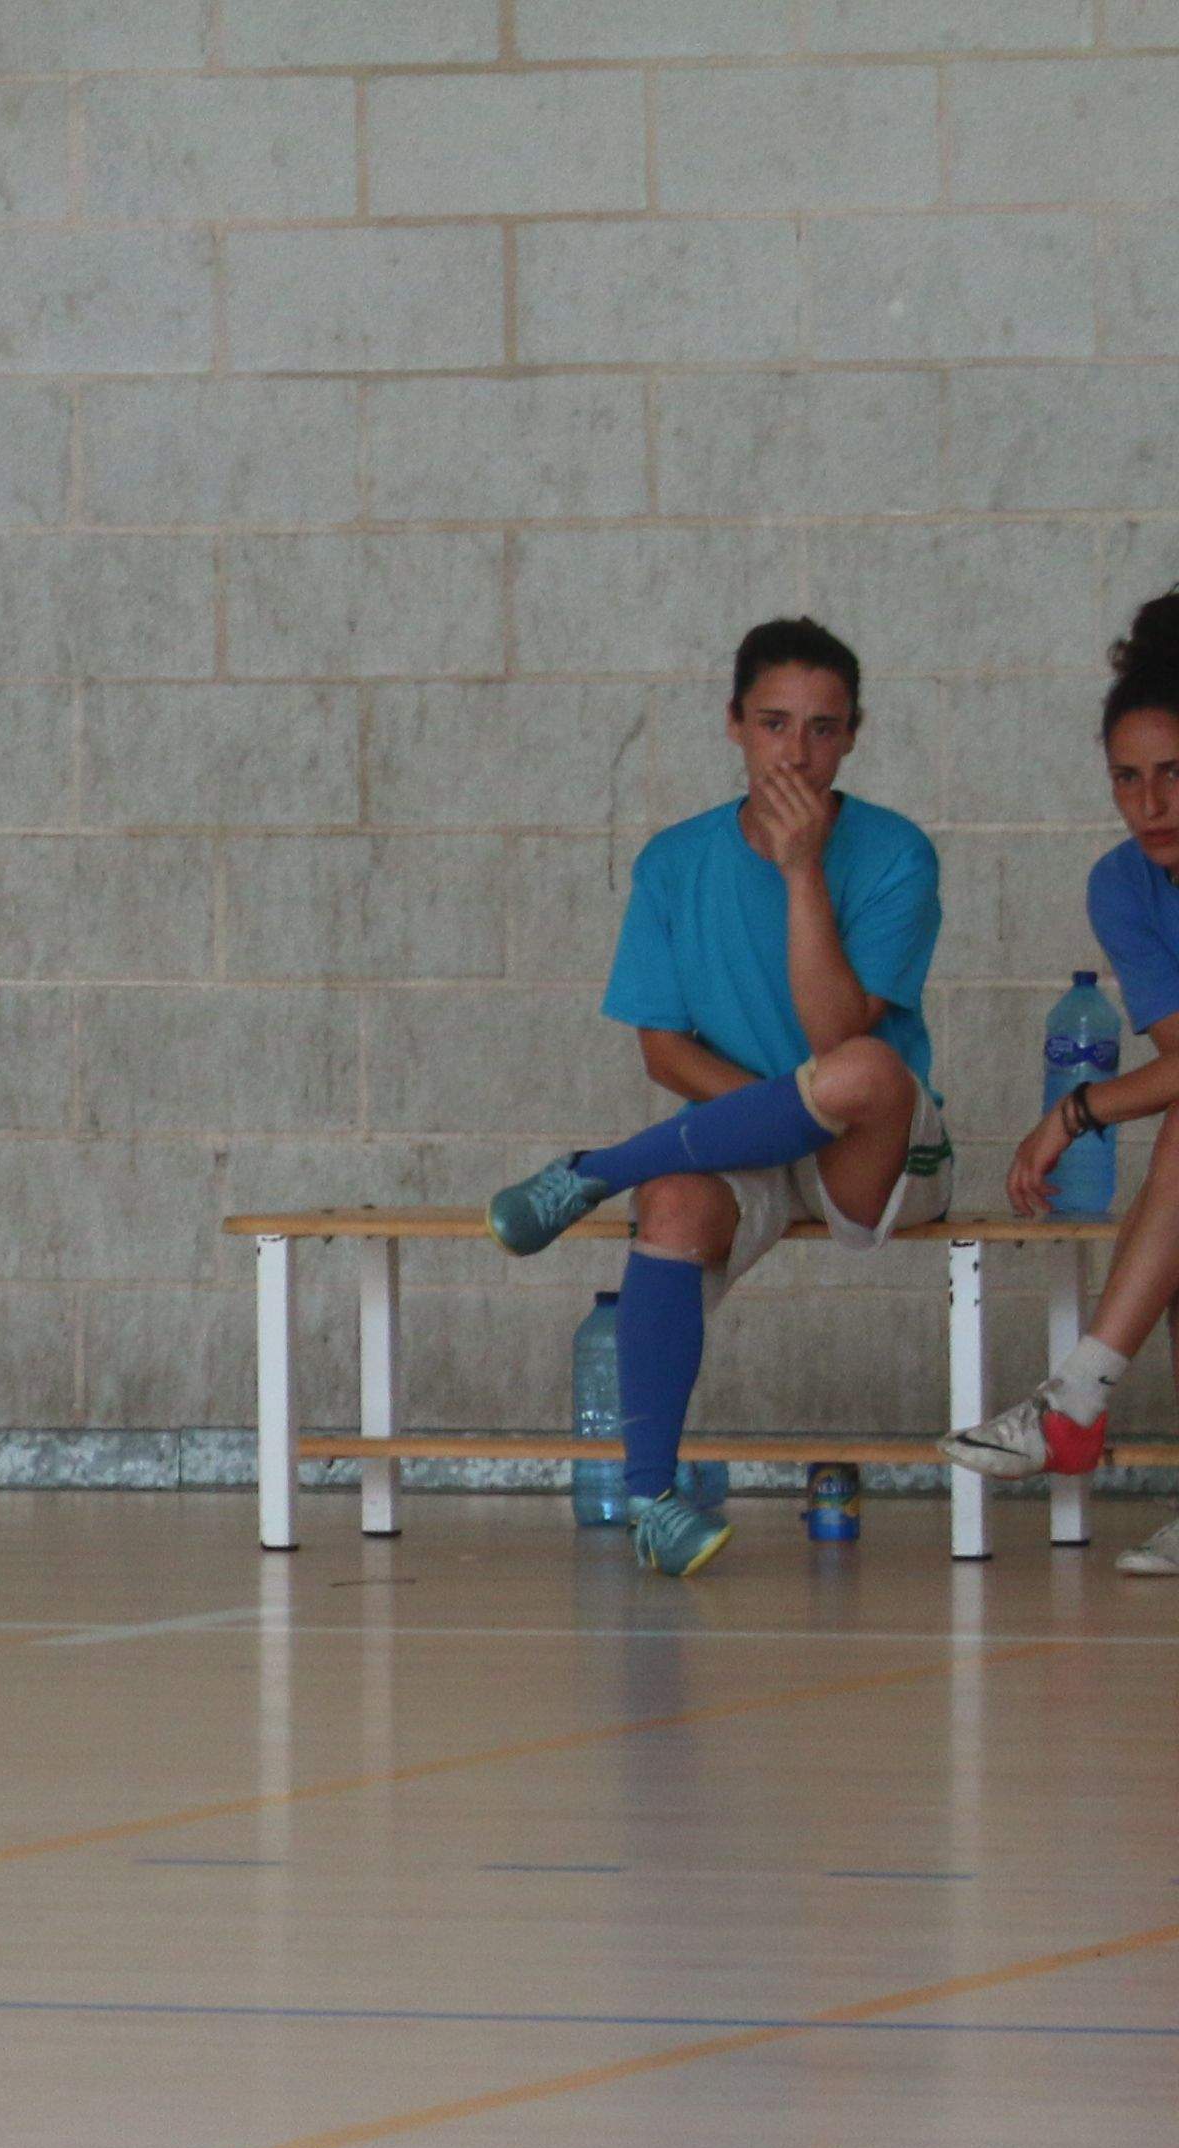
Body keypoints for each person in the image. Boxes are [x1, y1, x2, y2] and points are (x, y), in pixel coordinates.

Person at [487, 616, 940, 1578]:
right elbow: (663, 1050)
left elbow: (835, 1042)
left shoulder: (899, 854)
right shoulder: (672, 861)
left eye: (824, 729)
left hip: (877, 1148)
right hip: (749, 1137)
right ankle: (654, 1501)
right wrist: (774, 1121)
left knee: (862, 1072)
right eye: (775, 724)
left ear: (854, 735)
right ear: (734, 725)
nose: (798, 752)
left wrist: (802, 868)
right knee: (676, 1199)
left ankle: (593, 1172)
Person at [940, 583, 1179, 1575]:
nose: (1149, 805)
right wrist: (1082, 1113)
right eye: (1126, 780)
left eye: (1173, 774)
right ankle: (1077, 1399)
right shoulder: (1122, 884)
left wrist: (1074, 1112)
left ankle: (1076, 1395)